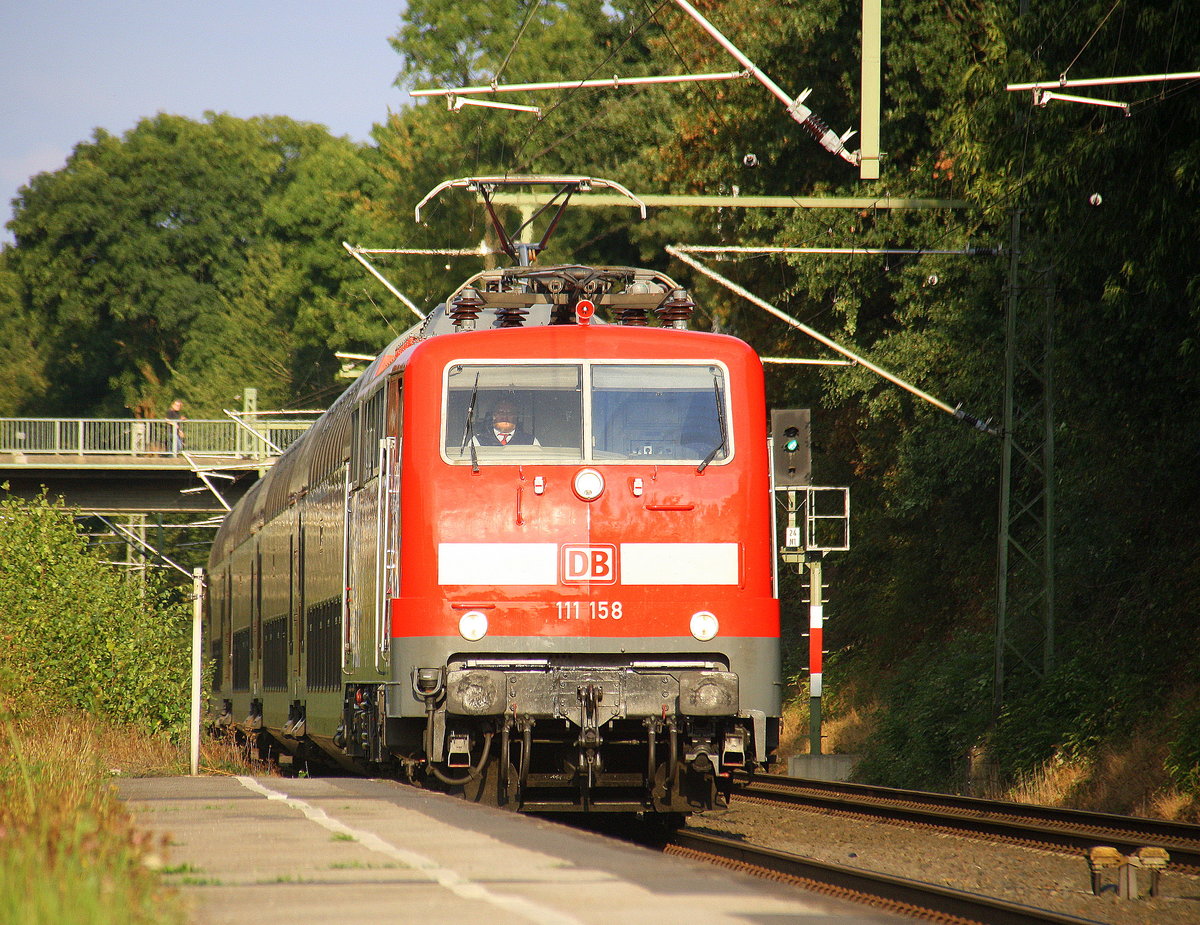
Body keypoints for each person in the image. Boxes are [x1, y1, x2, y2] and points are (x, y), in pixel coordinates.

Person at [474, 398, 539, 446]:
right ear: (493, 415)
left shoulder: (530, 441)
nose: (505, 416)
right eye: (500, 412)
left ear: (516, 416)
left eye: (510, 413)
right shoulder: (478, 441)